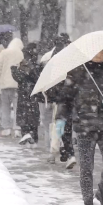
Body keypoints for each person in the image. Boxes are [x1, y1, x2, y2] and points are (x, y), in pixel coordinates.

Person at [60, 46, 103, 205]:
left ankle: (102, 191)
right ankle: (88, 203)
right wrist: (60, 118)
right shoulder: (77, 73)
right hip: (84, 126)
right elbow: (66, 98)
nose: (98, 54)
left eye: (102, 52)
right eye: (94, 51)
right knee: (86, 167)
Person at [45, 33, 76, 168]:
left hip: (61, 97)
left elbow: (52, 78)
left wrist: (52, 95)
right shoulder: (73, 54)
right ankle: (67, 152)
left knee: (59, 125)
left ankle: (56, 151)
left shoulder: (55, 56)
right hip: (74, 94)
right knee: (69, 126)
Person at [0, 32, 24, 136]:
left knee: (5, 107)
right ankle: (17, 128)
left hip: (5, 85)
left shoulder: (4, 52)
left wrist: (0, 77)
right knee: (17, 108)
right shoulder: (21, 53)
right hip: (17, 85)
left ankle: (6, 128)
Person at [11, 43, 42, 145]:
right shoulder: (25, 65)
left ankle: (29, 134)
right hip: (27, 93)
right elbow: (20, 79)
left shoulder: (34, 66)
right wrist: (14, 70)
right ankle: (28, 134)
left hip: (29, 93)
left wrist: (17, 71)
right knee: (28, 114)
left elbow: (34, 78)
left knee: (28, 114)